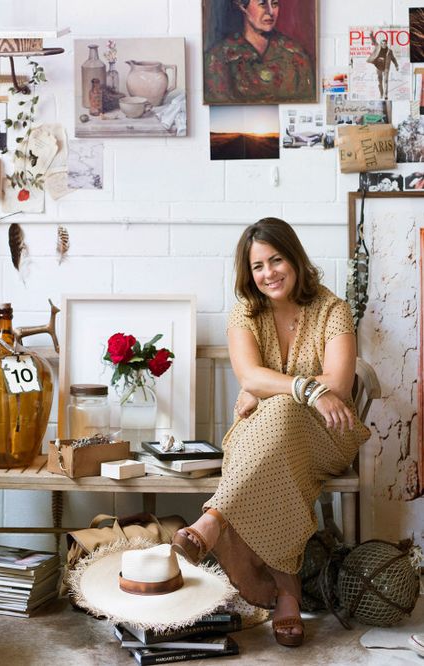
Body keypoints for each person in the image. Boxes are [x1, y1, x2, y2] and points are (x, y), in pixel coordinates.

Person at [173, 218, 370, 647]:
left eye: (276, 260)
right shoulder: (246, 310)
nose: (269, 273)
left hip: (327, 432)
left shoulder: (333, 310)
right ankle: (287, 595)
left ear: (294, 258)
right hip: (265, 442)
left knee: (279, 413)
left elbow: (337, 383)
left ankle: (213, 520)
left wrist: (267, 391)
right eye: (258, 266)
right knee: (278, 438)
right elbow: (248, 374)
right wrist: (292, 388)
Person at [204, 0, 315, 104]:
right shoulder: (219, 57)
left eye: (275, 4)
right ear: (243, 6)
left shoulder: (296, 55)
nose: (271, 12)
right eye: (262, 4)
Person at [366, 33, 399, 100]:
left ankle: (386, 95)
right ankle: (381, 94)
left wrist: (396, 65)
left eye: (385, 43)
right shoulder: (378, 47)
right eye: (382, 43)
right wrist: (371, 35)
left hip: (386, 67)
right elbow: (374, 41)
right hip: (378, 67)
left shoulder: (389, 51)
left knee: (386, 81)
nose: (384, 45)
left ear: (386, 44)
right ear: (381, 44)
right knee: (379, 82)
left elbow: (393, 58)